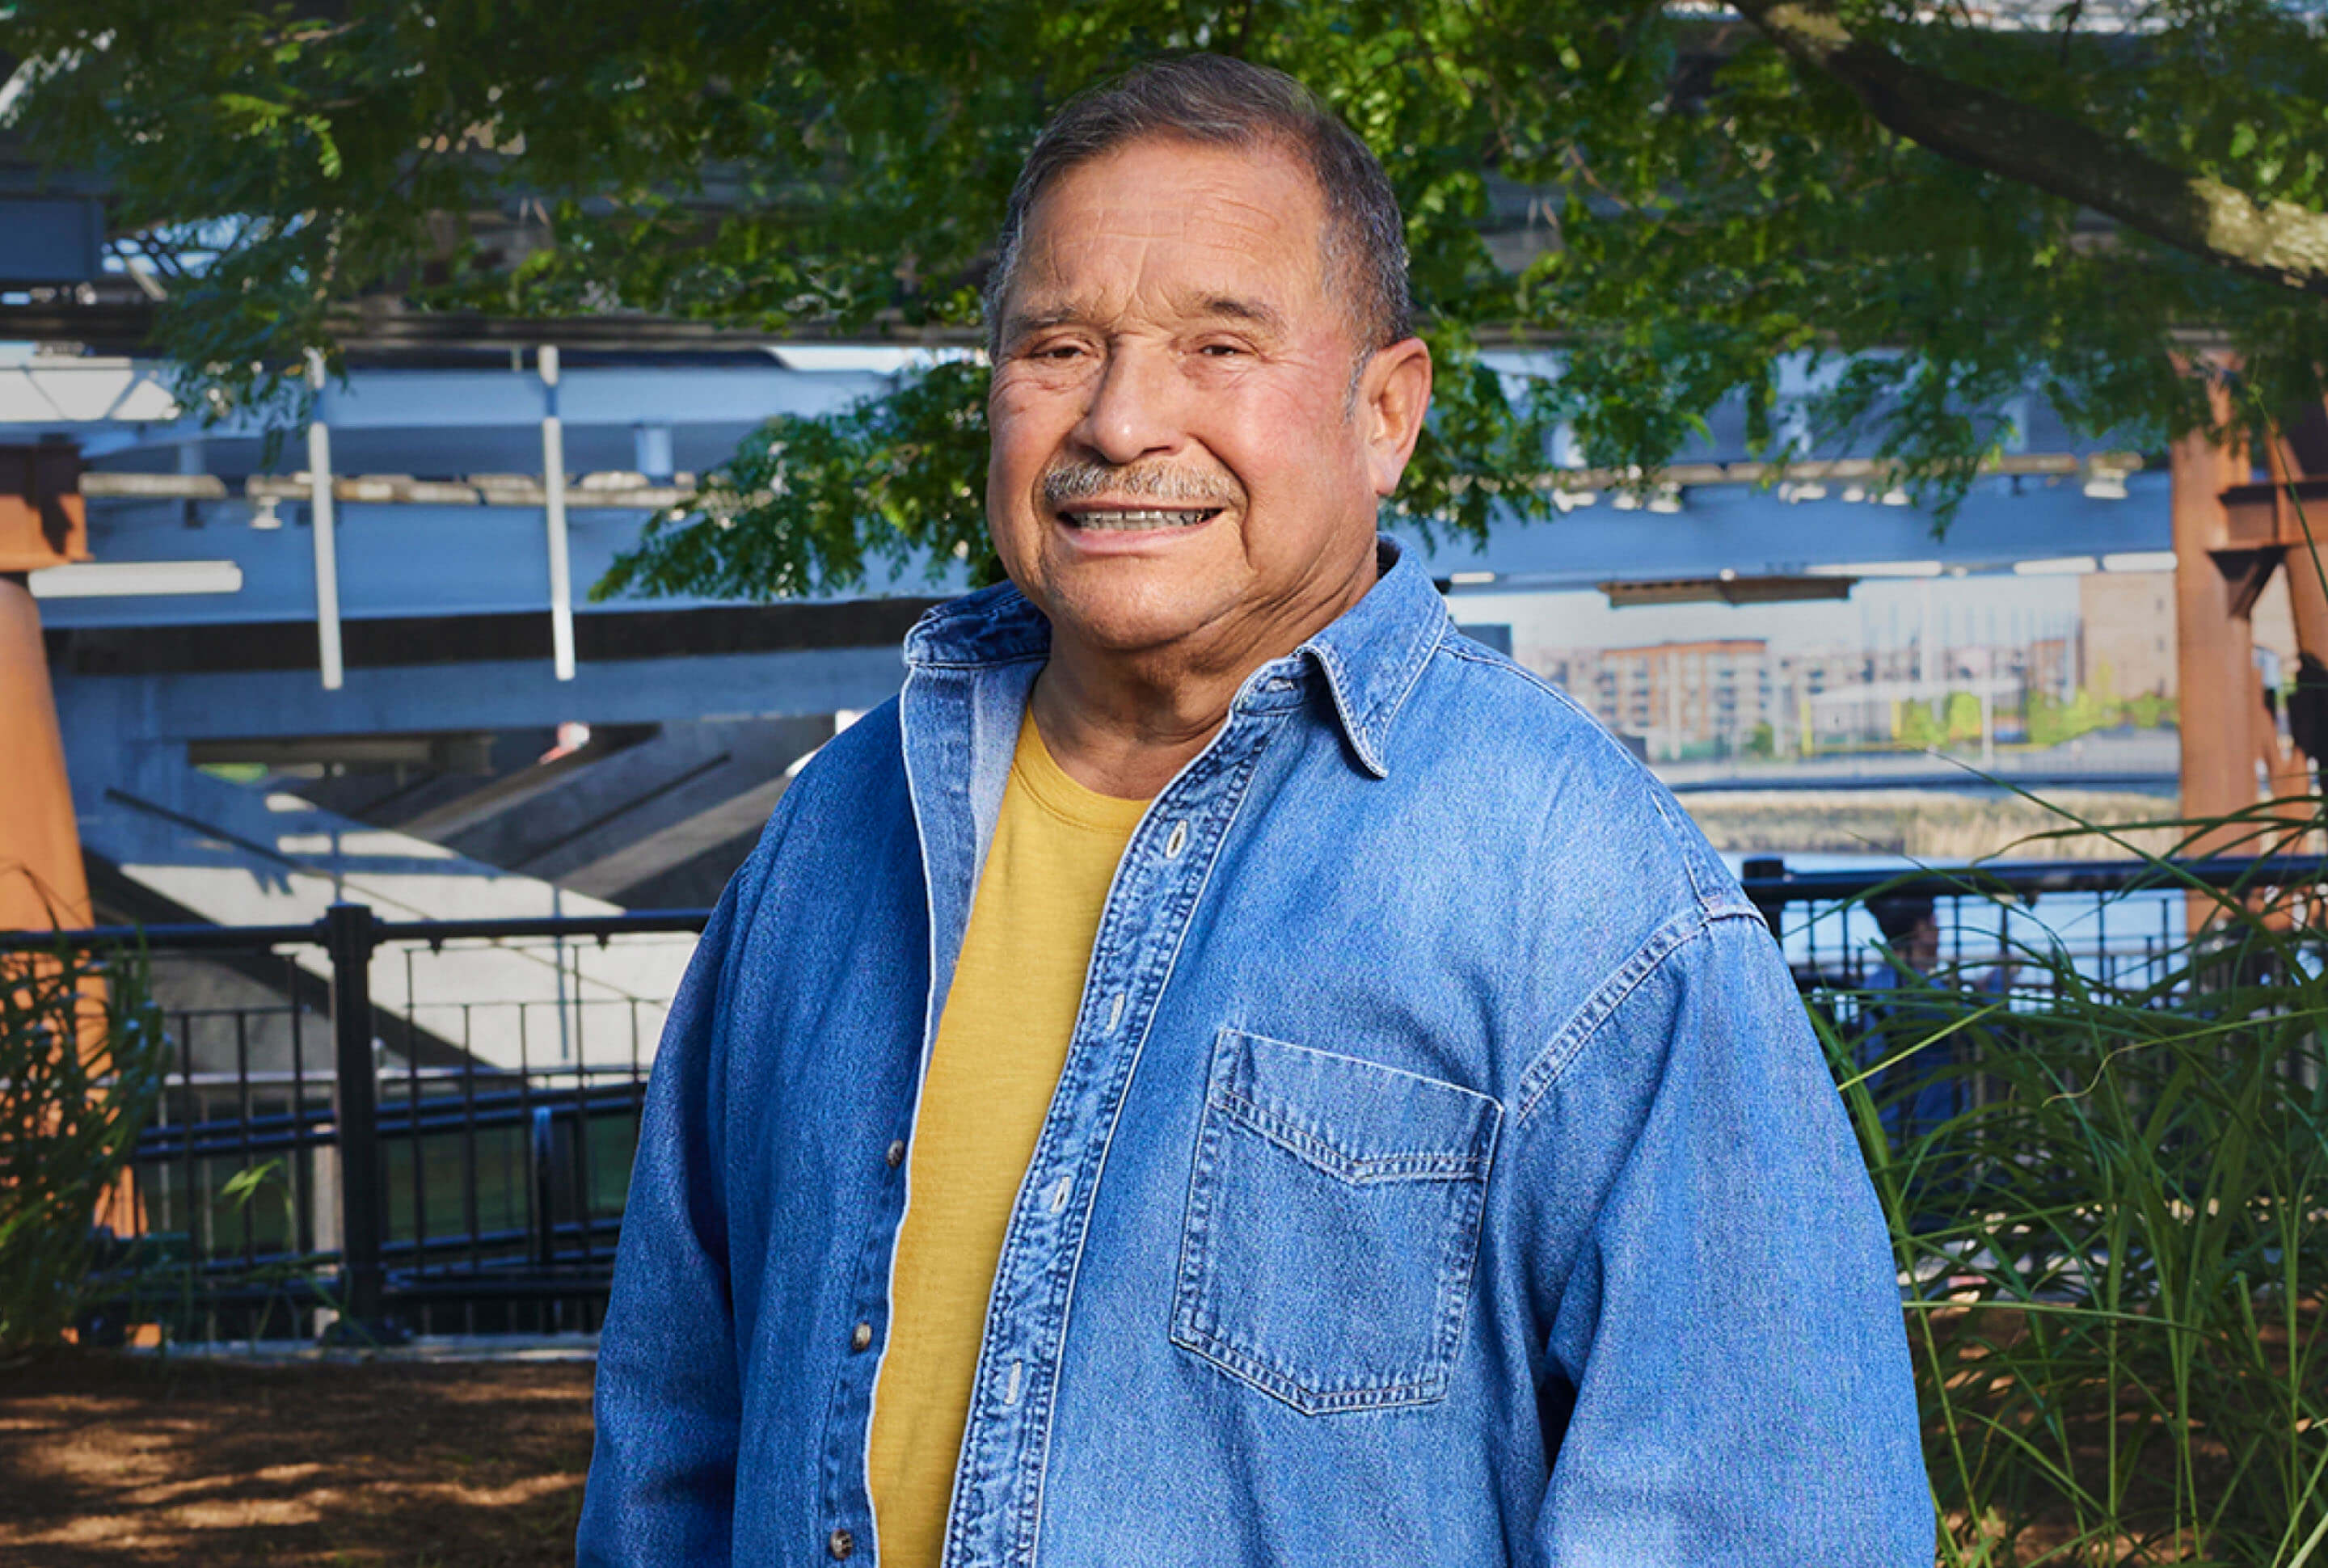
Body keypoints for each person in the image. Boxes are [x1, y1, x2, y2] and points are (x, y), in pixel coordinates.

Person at [579, 54, 1930, 1567]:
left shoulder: (1582, 894)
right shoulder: (836, 835)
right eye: (1058, 345)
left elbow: (1768, 1523)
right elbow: (669, 1446)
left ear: (1385, 413)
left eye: (1221, 347)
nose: (1119, 420)